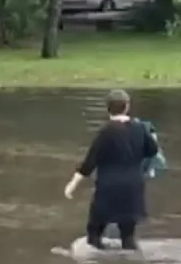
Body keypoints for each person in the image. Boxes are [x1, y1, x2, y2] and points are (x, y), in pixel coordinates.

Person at [64, 89, 160, 250]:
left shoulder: (105, 132)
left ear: (107, 108)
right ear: (127, 107)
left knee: (94, 235)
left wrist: (72, 185)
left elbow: (89, 163)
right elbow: (152, 151)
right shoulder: (140, 128)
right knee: (128, 238)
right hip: (133, 187)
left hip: (108, 188)